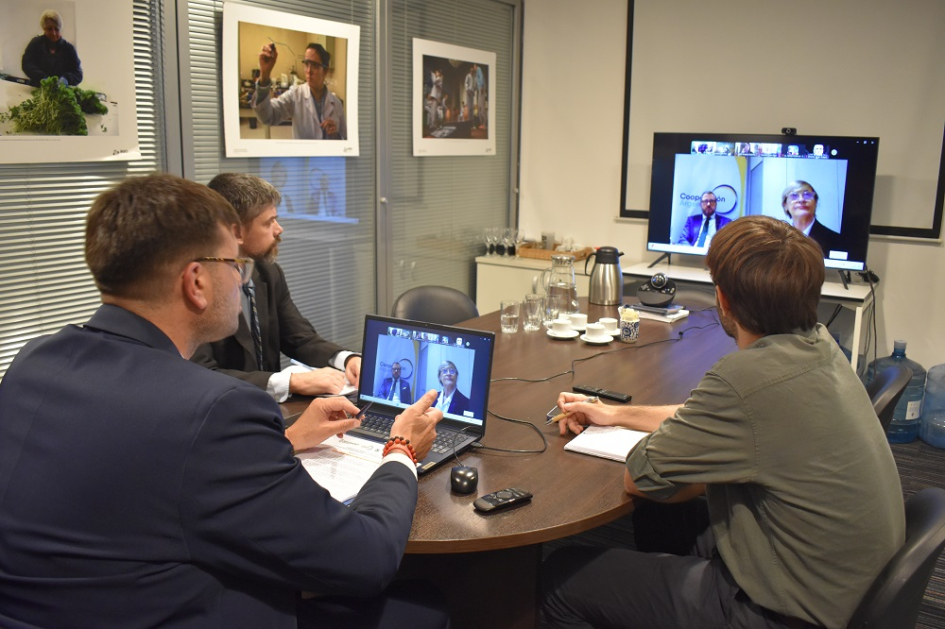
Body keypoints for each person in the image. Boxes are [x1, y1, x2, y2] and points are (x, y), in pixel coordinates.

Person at [0, 173, 448, 628]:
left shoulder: (35, 361)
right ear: (196, 282)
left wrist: (287, 439)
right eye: (236, 265)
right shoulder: (216, 409)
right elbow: (365, 559)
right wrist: (401, 451)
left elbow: (141, 468)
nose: (242, 278)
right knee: (423, 610)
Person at [541, 215, 904, 629]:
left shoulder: (743, 380)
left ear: (723, 300)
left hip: (783, 611)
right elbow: (716, 420)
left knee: (561, 575)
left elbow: (640, 478)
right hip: (839, 584)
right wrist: (616, 413)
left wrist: (685, 462)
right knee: (662, 516)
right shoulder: (821, 346)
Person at [191, 173, 360, 401]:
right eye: (269, 222)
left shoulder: (268, 273)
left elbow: (299, 338)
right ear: (236, 231)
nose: (278, 229)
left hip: (269, 410)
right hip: (221, 412)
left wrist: (346, 359)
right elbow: (201, 374)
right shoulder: (198, 287)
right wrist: (291, 382)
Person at [253, 42, 346, 140]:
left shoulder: (336, 104)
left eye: (315, 65)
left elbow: (345, 141)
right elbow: (268, 117)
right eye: (306, 64)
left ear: (325, 71)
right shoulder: (295, 95)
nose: (309, 71)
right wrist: (264, 75)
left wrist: (336, 135)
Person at [21, 9, 83, 87]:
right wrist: (41, 77)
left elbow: (78, 73)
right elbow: (26, 63)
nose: (53, 33)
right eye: (49, 29)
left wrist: (66, 78)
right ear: (44, 29)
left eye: (56, 29)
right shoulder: (36, 43)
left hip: (60, 92)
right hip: (37, 88)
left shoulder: (69, 49)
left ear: (60, 29)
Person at [782, 180, 842, 255]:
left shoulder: (835, 240)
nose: (801, 200)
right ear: (785, 205)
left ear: (816, 203)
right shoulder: (778, 238)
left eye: (807, 195)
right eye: (794, 196)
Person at [474, 63, 486, 128]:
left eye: (474, 66)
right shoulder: (476, 73)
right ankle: (482, 123)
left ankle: (484, 124)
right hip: (479, 89)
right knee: (479, 107)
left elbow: (481, 77)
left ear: (475, 66)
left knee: (481, 106)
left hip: (481, 89)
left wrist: (481, 86)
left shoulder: (479, 69)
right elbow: (476, 83)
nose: (474, 68)